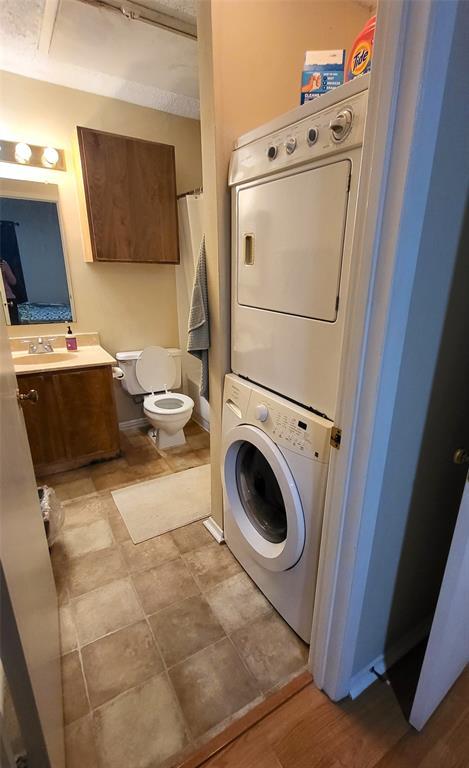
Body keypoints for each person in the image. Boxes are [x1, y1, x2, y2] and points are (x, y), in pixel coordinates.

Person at [1, 259, 19, 324]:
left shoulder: (3, 263)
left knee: (14, 326)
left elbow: (13, 281)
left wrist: (5, 270)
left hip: (8, 299)